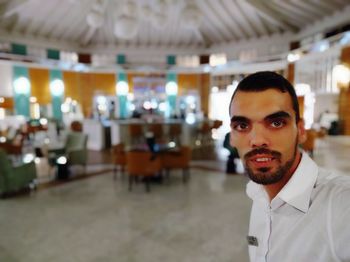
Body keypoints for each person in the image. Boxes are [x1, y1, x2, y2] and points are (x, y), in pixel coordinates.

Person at [228, 71, 350, 262]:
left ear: (300, 131)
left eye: (276, 123)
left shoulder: (340, 205)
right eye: (242, 126)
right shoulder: (257, 192)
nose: (257, 140)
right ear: (232, 137)